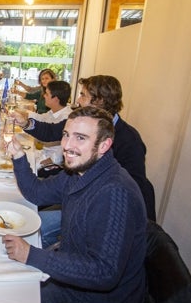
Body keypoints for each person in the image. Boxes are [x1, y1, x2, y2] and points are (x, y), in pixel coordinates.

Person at [3, 106, 147, 303]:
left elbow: (104, 273)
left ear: (104, 145)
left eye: (80, 138)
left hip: (95, 301)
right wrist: (18, 155)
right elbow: (36, 193)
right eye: (66, 135)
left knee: (7, 299)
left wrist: (31, 254)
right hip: (73, 279)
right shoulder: (78, 171)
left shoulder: (114, 192)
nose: (67, 145)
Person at [13, 75, 156, 221]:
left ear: (99, 100)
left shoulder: (129, 141)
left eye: (83, 95)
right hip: (79, 199)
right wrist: (26, 124)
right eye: (67, 136)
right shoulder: (83, 123)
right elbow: (50, 132)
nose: (78, 100)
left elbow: (132, 190)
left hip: (105, 214)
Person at [29, 80, 73, 165]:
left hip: (49, 161)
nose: (44, 96)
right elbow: (42, 118)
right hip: (41, 152)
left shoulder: (67, 118)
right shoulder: (54, 111)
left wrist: (49, 161)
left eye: (47, 94)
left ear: (55, 99)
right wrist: (24, 114)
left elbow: (65, 148)